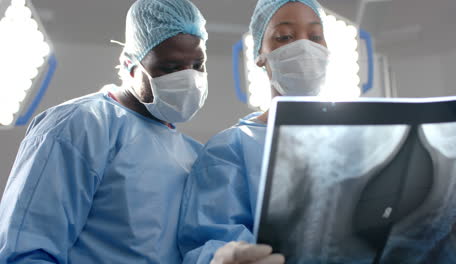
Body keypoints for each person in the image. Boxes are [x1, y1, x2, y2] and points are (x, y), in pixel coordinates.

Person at [0, 0, 208, 263]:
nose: (188, 79)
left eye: (198, 65)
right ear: (129, 65)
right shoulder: (81, 125)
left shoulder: (192, 153)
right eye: (170, 68)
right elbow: (27, 249)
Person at [178, 0, 329, 263]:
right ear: (260, 54)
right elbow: (210, 245)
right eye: (285, 37)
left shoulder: (355, 136)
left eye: (315, 36)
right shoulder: (230, 149)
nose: (305, 47)